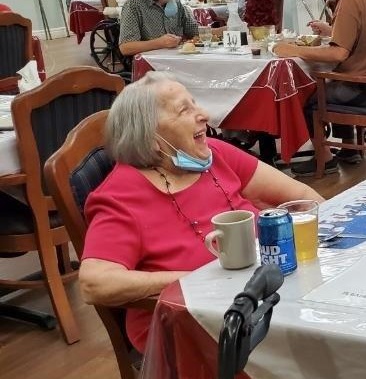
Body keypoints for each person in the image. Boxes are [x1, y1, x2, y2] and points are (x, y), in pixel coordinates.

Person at [78, 72, 323, 353]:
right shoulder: (121, 196)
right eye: (185, 110)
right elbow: (94, 283)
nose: (204, 115)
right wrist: (201, 280)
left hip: (265, 295)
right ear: (151, 137)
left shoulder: (213, 155)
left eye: (195, 104)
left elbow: (304, 198)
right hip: (191, 325)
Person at [274, 0, 366, 174]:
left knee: (307, 96)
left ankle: (325, 157)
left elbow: (339, 55)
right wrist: (332, 30)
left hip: (365, 87)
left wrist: (293, 49)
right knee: (334, 84)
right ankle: (349, 149)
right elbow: (365, 34)